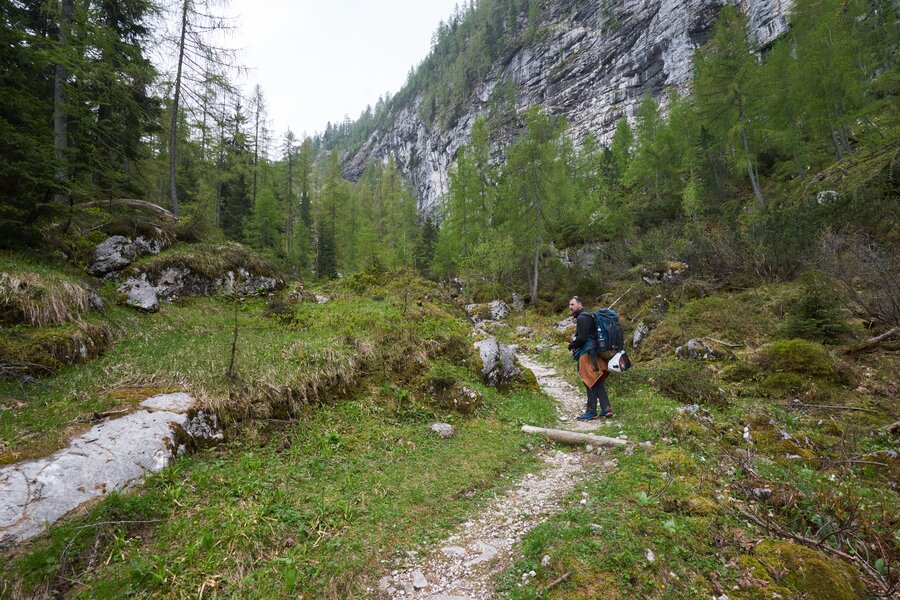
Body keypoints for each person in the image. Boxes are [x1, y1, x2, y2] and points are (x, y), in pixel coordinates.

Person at [566, 296, 614, 420]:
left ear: (580, 304)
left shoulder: (582, 318)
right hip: (594, 351)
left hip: (587, 353)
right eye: (569, 305)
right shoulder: (588, 316)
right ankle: (606, 409)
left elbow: (582, 338)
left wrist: (571, 345)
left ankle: (591, 411)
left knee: (589, 380)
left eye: (572, 304)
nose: (570, 307)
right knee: (596, 379)